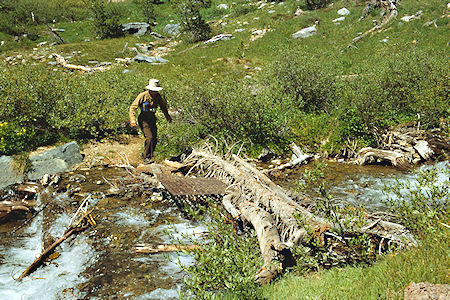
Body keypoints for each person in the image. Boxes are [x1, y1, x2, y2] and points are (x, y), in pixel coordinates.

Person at [129, 79, 172, 163]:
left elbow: (163, 107)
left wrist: (167, 117)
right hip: (144, 119)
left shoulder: (158, 96)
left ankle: (148, 155)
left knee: (154, 139)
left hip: (152, 118)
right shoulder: (142, 96)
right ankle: (146, 158)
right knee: (149, 138)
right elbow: (133, 107)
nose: (154, 92)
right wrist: (132, 120)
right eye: (153, 90)